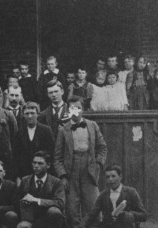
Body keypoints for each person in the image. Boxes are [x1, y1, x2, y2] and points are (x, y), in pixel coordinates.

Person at [54, 97, 107, 228]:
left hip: (89, 169)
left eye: (78, 108)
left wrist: (98, 165)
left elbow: (102, 148)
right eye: (72, 108)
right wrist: (63, 176)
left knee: (93, 206)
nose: (75, 111)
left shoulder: (92, 125)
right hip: (70, 171)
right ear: (68, 110)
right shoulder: (63, 129)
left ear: (82, 109)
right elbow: (57, 157)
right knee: (72, 210)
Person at [16, 151, 65, 228]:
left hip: (48, 221)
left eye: (40, 163)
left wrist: (37, 200)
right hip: (30, 220)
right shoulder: (25, 180)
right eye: (34, 163)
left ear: (48, 165)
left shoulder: (56, 182)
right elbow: (17, 201)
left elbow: (60, 203)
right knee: (22, 226)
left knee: (54, 211)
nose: (36, 166)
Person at [12, 102, 55, 179]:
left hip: (43, 173)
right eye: (27, 113)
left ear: (38, 114)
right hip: (25, 174)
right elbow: (16, 156)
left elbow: (51, 153)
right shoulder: (19, 133)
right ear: (23, 115)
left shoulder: (46, 131)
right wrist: (18, 176)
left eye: (32, 113)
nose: (30, 116)